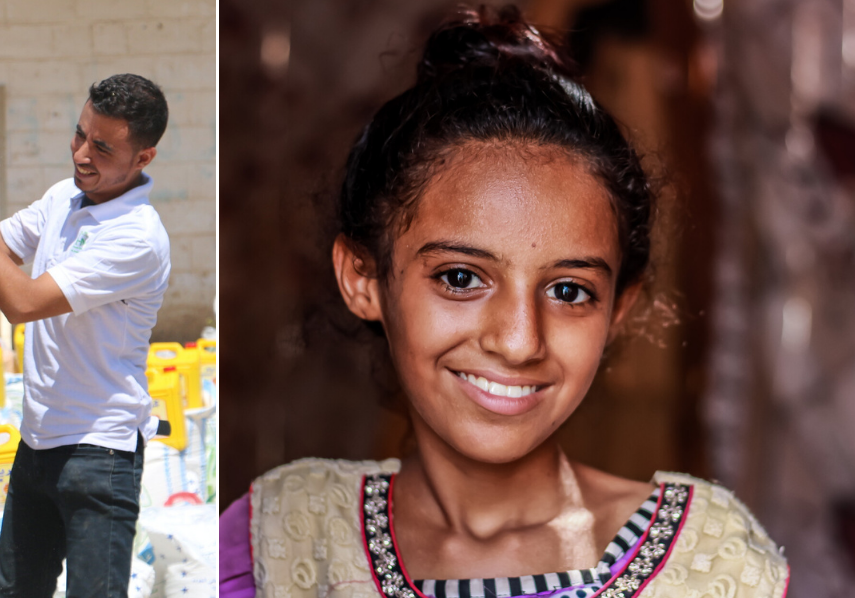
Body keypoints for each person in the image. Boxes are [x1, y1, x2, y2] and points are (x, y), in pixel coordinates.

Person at [216, 7, 787, 596]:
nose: (519, 341)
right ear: (364, 278)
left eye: (569, 291)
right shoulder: (281, 537)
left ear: (618, 308)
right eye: (461, 278)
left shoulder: (710, 561)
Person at [0, 72, 171, 597]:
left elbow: (20, 301)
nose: (81, 154)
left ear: (143, 158)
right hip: (36, 444)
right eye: (79, 135)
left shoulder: (137, 237)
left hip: (100, 458)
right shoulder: (63, 199)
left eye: (102, 147)